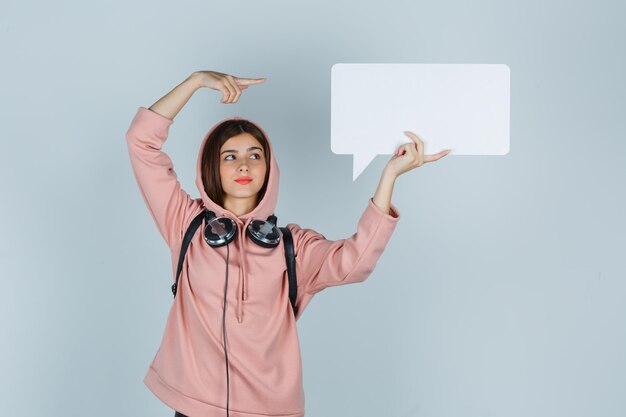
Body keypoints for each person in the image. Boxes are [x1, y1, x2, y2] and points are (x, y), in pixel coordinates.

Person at [125, 70, 450, 417]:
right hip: (194, 406)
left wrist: (389, 177)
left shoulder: (293, 246)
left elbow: (355, 261)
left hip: (271, 410)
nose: (244, 165)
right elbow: (141, 141)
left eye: (255, 155)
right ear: (212, 168)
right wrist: (195, 81)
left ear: (269, 167)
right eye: (229, 156)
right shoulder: (184, 223)